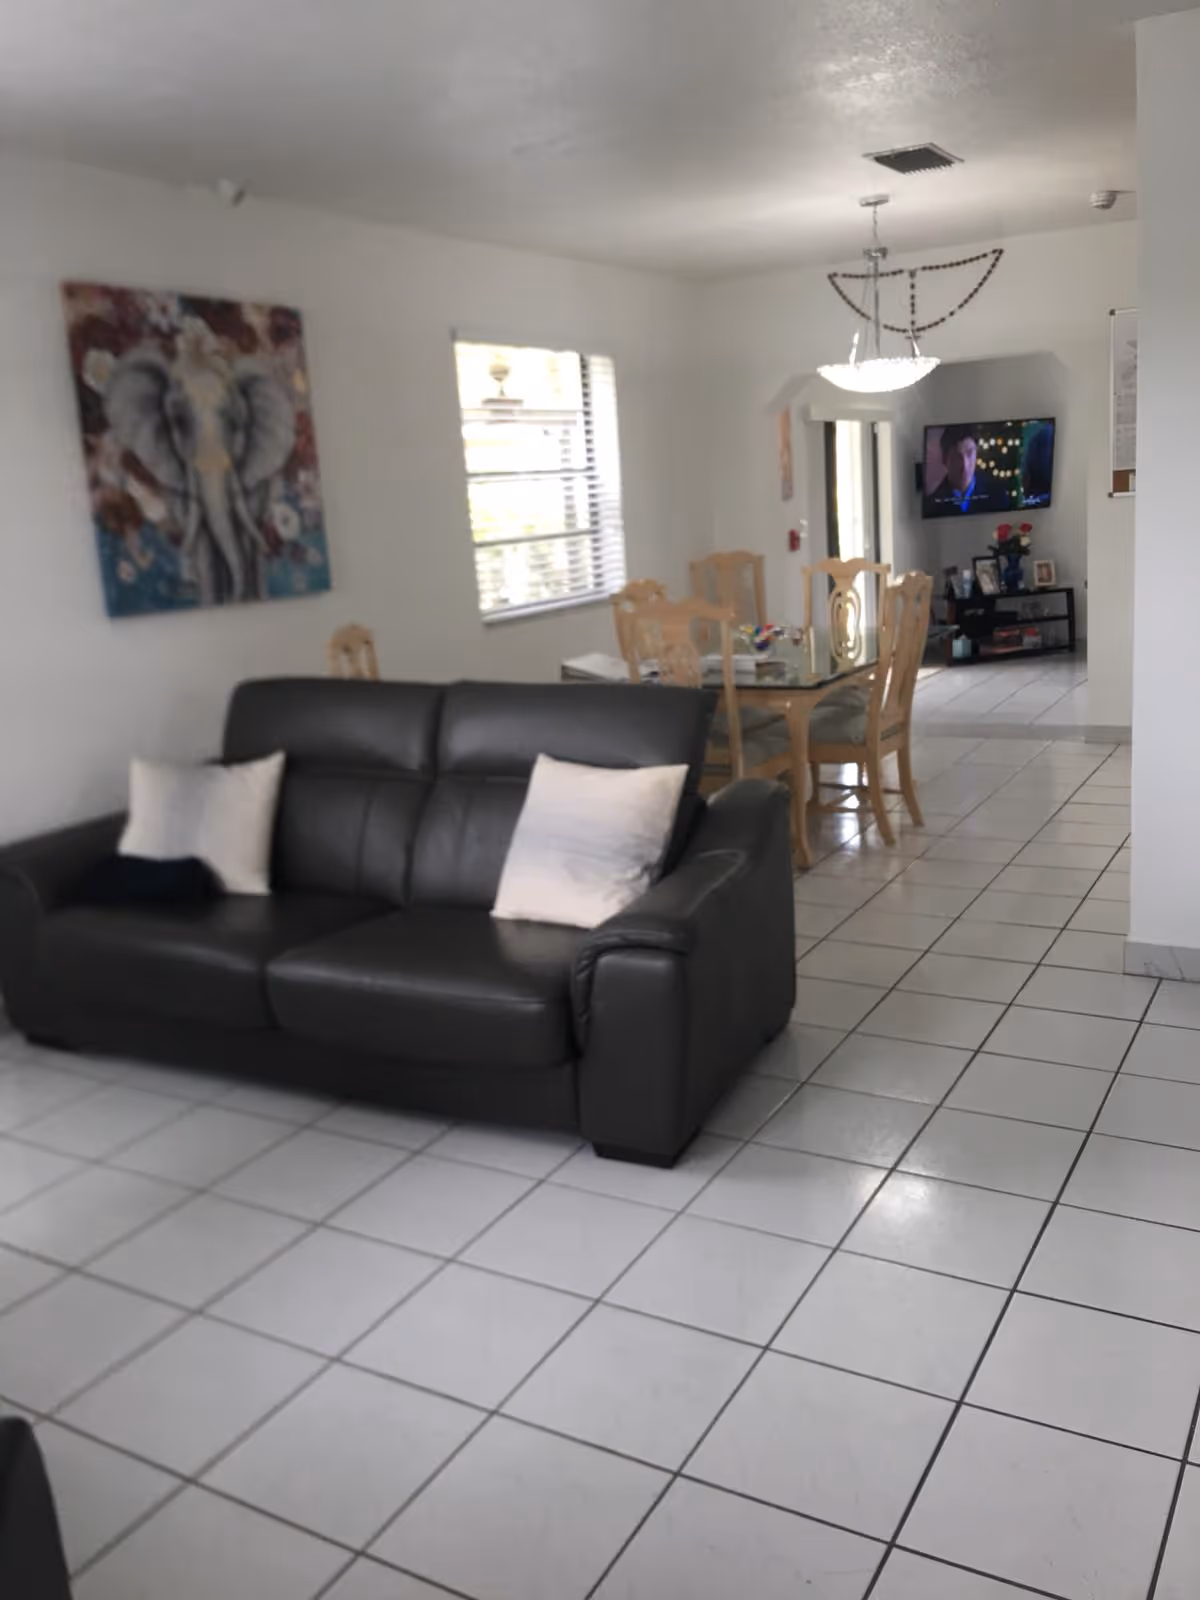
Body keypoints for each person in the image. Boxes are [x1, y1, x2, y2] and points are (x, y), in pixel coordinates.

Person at [928, 424, 999, 515]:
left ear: (977, 454)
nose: (965, 465)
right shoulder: (931, 506)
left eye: (969, 453)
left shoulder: (997, 495)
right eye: (957, 456)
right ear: (944, 459)